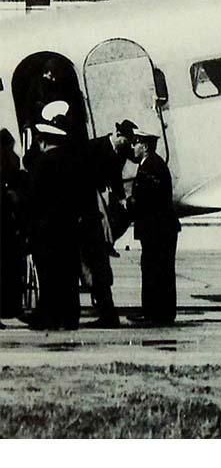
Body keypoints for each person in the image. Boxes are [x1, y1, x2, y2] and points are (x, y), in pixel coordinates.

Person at [23, 116, 83, 330]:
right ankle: (70, 317)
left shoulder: (42, 163)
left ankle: (48, 317)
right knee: (68, 274)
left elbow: (33, 198)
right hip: (69, 228)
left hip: (46, 230)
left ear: (44, 141)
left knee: (49, 275)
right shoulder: (73, 161)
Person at [79, 119, 137, 328]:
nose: (128, 144)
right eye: (126, 140)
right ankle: (104, 310)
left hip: (97, 203)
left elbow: (115, 178)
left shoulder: (120, 153)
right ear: (117, 134)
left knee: (96, 264)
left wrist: (121, 200)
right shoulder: (94, 147)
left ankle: (105, 312)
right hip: (91, 199)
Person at [127, 129, 180, 326]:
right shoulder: (152, 164)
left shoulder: (151, 166)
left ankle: (156, 313)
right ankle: (158, 312)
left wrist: (128, 204)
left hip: (157, 229)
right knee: (157, 270)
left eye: (136, 143)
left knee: (156, 270)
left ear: (145, 146)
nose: (133, 147)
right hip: (159, 228)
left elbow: (146, 198)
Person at [1, 128, 27, 325]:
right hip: (10, 222)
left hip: (8, 221)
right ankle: (12, 305)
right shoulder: (12, 159)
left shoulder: (9, 159)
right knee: (12, 266)